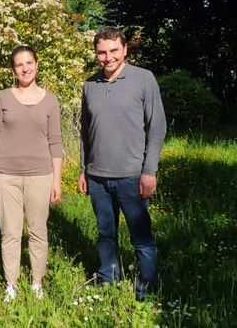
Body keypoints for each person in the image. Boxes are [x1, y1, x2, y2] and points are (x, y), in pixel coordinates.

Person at [78, 27, 166, 301]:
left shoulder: (143, 79)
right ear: (96, 54)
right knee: (105, 234)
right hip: (97, 178)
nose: (108, 57)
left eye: (114, 50)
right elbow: (85, 131)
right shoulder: (90, 85)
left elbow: (157, 127)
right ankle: (108, 279)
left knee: (141, 238)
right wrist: (83, 169)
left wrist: (149, 171)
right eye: (102, 52)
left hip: (132, 176)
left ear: (125, 49)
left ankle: (147, 287)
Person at [0, 45, 63, 303]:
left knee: (38, 231)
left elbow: (56, 141)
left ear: (37, 65)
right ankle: (11, 285)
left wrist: (57, 180)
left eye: (29, 62)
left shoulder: (50, 99)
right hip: (6, 176)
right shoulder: (3, 98)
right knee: (10, 232)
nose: (25, 68)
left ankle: (36, 283)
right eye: (19, 64)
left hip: (41, 175)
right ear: (13, 69)